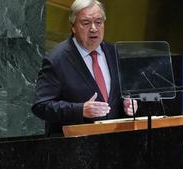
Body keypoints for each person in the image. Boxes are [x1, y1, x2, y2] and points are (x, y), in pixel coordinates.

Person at [32, 0, 137, 136]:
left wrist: (128, 104)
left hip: (113, 144)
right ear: (73, 27)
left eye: (98, 22)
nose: (94, 28)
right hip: (74, 147)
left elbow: (120, 94)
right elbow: (41, 105)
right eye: (86, 23)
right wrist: (80, 110)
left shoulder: (113, 52)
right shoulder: (57, 59)